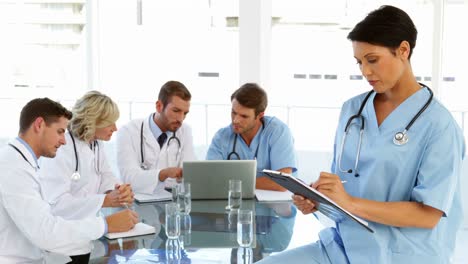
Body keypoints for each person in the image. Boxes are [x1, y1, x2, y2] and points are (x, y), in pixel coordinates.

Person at [256, 5, 465, 264]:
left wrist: (350, 203)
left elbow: (428, 214)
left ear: (403, 50)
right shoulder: (353, 110)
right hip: (343, 248)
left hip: (403, 256)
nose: (365, 71)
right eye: (360, 62)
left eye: (372, 59)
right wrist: (318, 200)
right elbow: (343, 186)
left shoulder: (439, 125)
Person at [0, 97, 138, 263]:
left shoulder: (21, 161)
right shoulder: (13, 167)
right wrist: (105, 224)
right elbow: (45, 231)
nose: (64, 140)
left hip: (45, 252)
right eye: (59, 132)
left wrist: (115, 193)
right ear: (39, 125)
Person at [39, 91, 134, 262]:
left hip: (87, 234)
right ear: (93, 121)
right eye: (110, 123)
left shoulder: (95, 142)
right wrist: (104, 200)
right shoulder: (61, 146)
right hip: (61, 243)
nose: (115, 128)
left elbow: (106, 173)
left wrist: (118, 190)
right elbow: (56, 204)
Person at [206, 83, 297, 191]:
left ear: (260, 115)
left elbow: (283, 183)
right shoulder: (221, 137)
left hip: (275, 206)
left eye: (244, 116)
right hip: (235, 203)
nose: (235, 120)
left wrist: (233, 183)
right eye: (233, 113)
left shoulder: (278, 131)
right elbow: (211, 178)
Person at [116, 80, 196, 194]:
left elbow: (189, 174)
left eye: (185, 113)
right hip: (136, 202)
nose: (181, 119)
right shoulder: (128, 131)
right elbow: (128, 177)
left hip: (171, 201)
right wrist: (163, 174)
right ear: (159, 106)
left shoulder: (185, 131)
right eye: (176, 111)